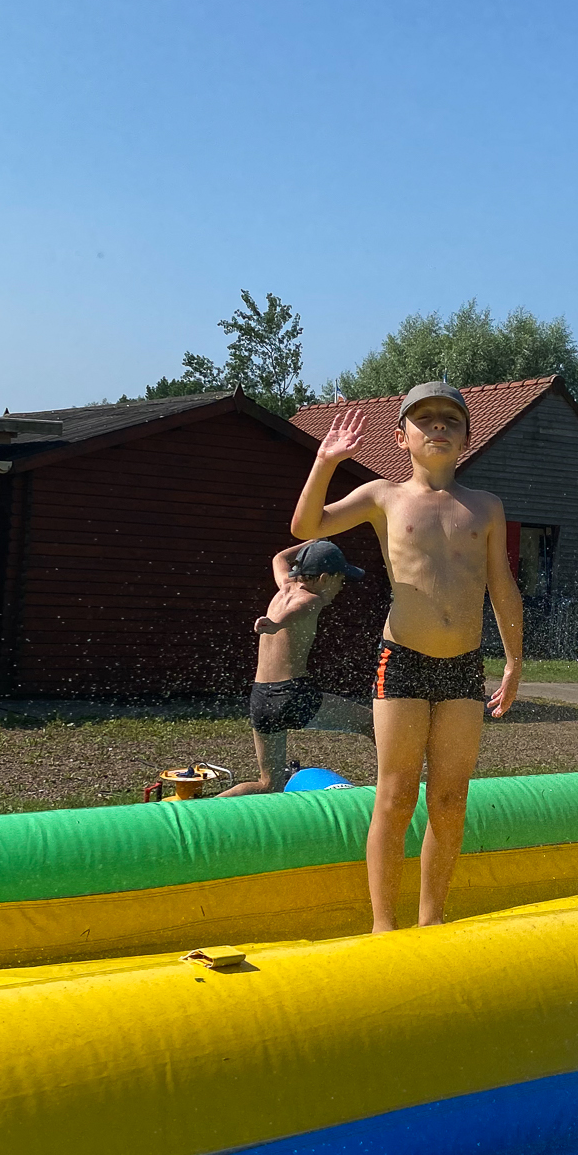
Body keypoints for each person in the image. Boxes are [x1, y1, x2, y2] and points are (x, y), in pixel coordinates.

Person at [291, 381, 525, 930]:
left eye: (450, 419)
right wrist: (325, 462)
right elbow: (306, 527)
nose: (438, 425)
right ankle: (383, 925)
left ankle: (431, 920)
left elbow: (502, 585)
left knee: (450, 799)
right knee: (395, 796)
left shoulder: (486, 507)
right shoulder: (384, 497)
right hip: (402, 661)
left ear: (467, 438)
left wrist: (514, 661)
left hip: (464, 667)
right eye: (425, 419)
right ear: (402, 438)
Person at [218, 540, 365, 796]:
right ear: (323, 578)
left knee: (268, 784)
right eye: (340, 579)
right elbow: (298, 609)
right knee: (372, 723)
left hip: (261, 698)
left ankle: (195, 811)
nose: (341, 587)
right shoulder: (312, 599)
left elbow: (279, 558)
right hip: (292, 695)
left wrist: (314, 541)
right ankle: (391, 791)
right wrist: (276, 623)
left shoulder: (285, 585)